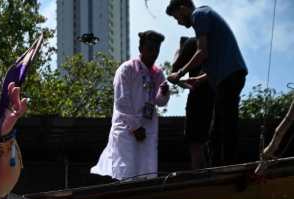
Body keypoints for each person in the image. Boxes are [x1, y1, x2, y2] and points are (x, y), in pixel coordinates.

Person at [166, 0, 248, 166]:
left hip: (230, 77)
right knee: (219, 128)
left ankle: (228, 167)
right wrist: (198, 79)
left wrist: (180, 72)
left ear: (183, 8)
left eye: (177, 18)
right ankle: (221, 167)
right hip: (228, 77)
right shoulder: (206, 16)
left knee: (225, 127)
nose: (179, 23)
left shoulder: (199, 15)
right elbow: (215, 58)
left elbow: (202, 53)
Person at [92, 31, 171, 181]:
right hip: (127, 129)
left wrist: (165, 93)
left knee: (147, 171)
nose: (153, 53)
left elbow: (160, 102)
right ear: (141, 48)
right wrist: (135, 127)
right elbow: (121, 101)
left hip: (148, 128)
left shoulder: (158, 73)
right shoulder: (126, 69)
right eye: (150, 49)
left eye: (156, 50)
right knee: (126, 170)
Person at [169, 37, 215, 169]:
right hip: (217, 93)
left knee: (195, 143)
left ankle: (198, 177)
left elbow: (173, 72)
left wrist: (178, 51)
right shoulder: (213, 45)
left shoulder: (189, 45)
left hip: (199, 96)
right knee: (207, 141)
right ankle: (207, 176)